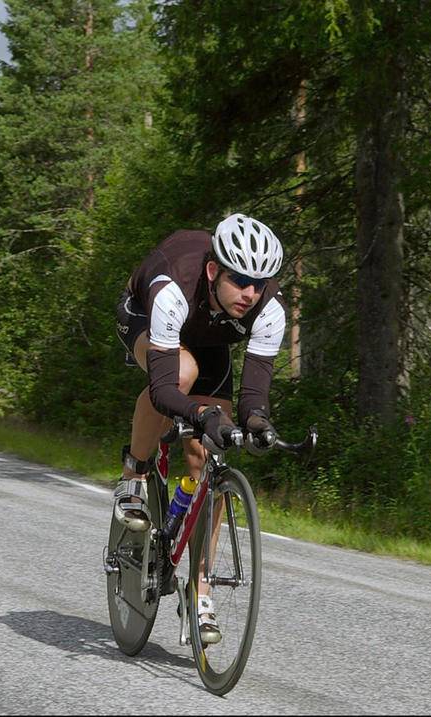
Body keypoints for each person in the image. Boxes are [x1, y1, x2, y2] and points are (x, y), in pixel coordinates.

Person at [113, 212, 285, 644]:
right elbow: (165, 389)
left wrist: (259, 423)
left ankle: (200, 590)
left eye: (259, 284)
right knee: (183, 374)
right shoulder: (172, 286)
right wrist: (200, 414)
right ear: (213, 271)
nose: (250, 293)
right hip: (146, 321)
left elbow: (252, 398)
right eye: (240, 280)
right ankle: (133, 477)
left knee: (206, 453)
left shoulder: (269, 308)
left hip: (211, 341)